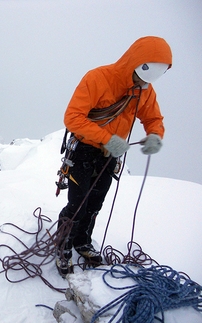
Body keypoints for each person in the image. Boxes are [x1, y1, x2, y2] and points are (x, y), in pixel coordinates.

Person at [56, 36, 173, 277]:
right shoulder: (98, 78)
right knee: (77, 203)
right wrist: (107, 138)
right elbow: (73, 118)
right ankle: (62, 246)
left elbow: (152, 118)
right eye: (141, 76)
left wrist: (155, 135)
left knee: (95, 203)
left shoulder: (144, 90)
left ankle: (82, 241)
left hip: (109, 154)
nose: (143, 82)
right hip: (85, 150)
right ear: (135, 62)